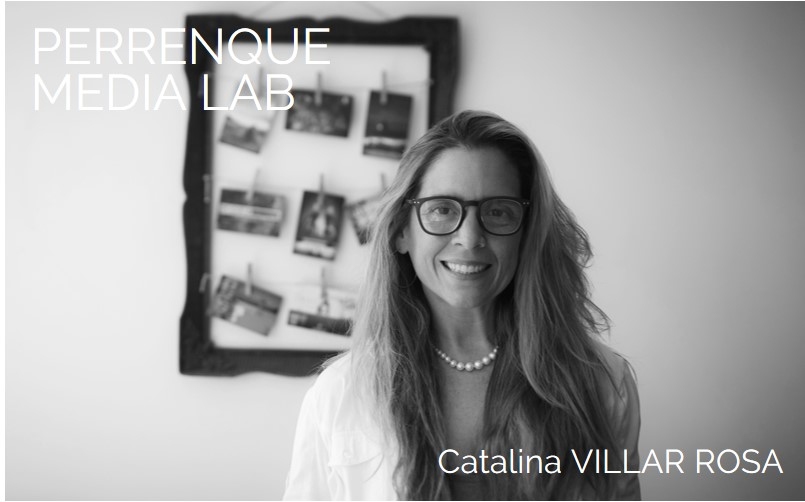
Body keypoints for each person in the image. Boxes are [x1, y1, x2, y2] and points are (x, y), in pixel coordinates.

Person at [284, 111, 641, 500]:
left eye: (498, 211)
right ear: (402, 231)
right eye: (442, 209)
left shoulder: (603, 383)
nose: (470, 238)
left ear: (526, 233)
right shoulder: (339, 395)